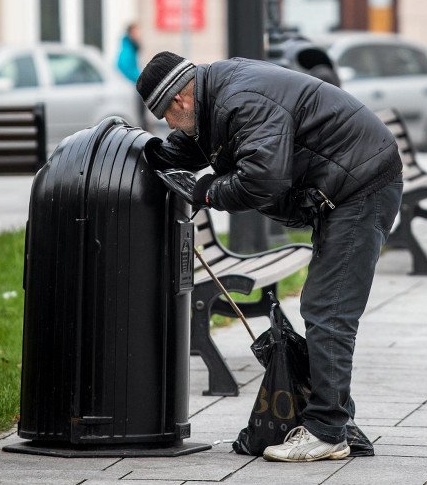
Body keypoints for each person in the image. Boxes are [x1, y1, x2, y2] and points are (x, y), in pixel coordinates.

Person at [137, 52, 403, 462]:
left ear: (179, 102)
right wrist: (152, 156)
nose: (169, 127)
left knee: (327, 308)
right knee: (325, 306)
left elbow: (264, 178)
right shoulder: (217, 93)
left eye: (165, 118)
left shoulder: (240, 99)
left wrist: (205, 192)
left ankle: (327, 432)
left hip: (361, 185)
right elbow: (198, 143)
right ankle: (335, 421)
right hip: (348, 182)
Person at [116, 22, 149, 130]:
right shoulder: (127, 51)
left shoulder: (131, 49)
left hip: (135, 86)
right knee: (140, 117)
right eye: (137, 32)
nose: (139, 35)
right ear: (131, 34)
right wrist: (141, 77)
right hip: (133, 87)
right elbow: (125, 69)